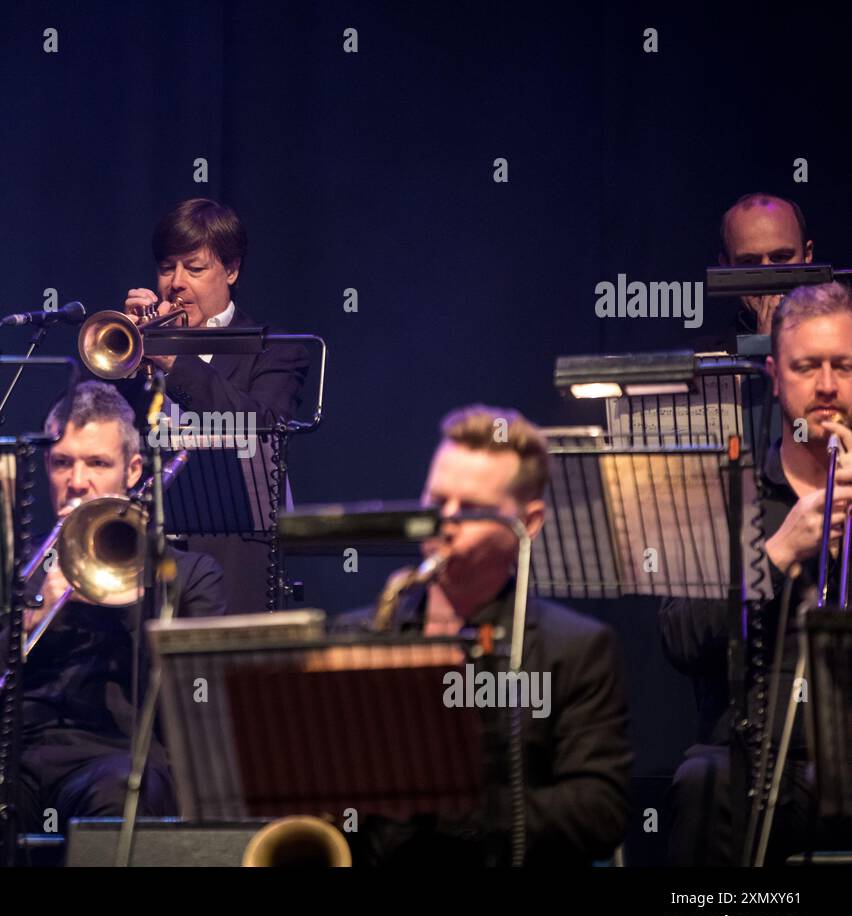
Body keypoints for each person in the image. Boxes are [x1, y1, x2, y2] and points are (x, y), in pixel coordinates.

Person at [0, 381, 226, 865]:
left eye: (97, 463)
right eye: (62, 463)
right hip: (7, 762)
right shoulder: (0, 569)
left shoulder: (187, 574)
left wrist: (137, 604)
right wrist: (28, 618)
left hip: (117, 760)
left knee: (120, 795)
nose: (77, 481)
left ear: (133, 470)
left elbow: (204, 710)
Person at [346, 405, 633, 866]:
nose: (447, 522)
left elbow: (600, 814)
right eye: (437, 501)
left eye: (472, 509)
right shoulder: (358, 635)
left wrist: (452, 807)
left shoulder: (575, 649)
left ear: (529, 522)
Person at [661, 281, 852, 865]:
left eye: (844, 366)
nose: (826, 386)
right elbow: (681, 638)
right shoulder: (724, 495)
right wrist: (776, 553)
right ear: (774, 375)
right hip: (755, 758)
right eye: (806, 367)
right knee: (705, 783)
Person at [119, 198, 310, 612]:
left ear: (232, 270)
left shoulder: (275, 349)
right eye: (167, 267)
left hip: (234, 561)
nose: (176, 282)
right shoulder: (143, 351)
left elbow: (262, 426)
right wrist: (125, 359)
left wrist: (174, 362)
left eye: (194, 268)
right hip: (143, 561)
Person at [719, 192, 814, 336]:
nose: (767, 277)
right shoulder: (701, 350)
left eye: (781, 257)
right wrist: (763, 343)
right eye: (749, 262)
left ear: (807, 255)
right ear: (726, 265)